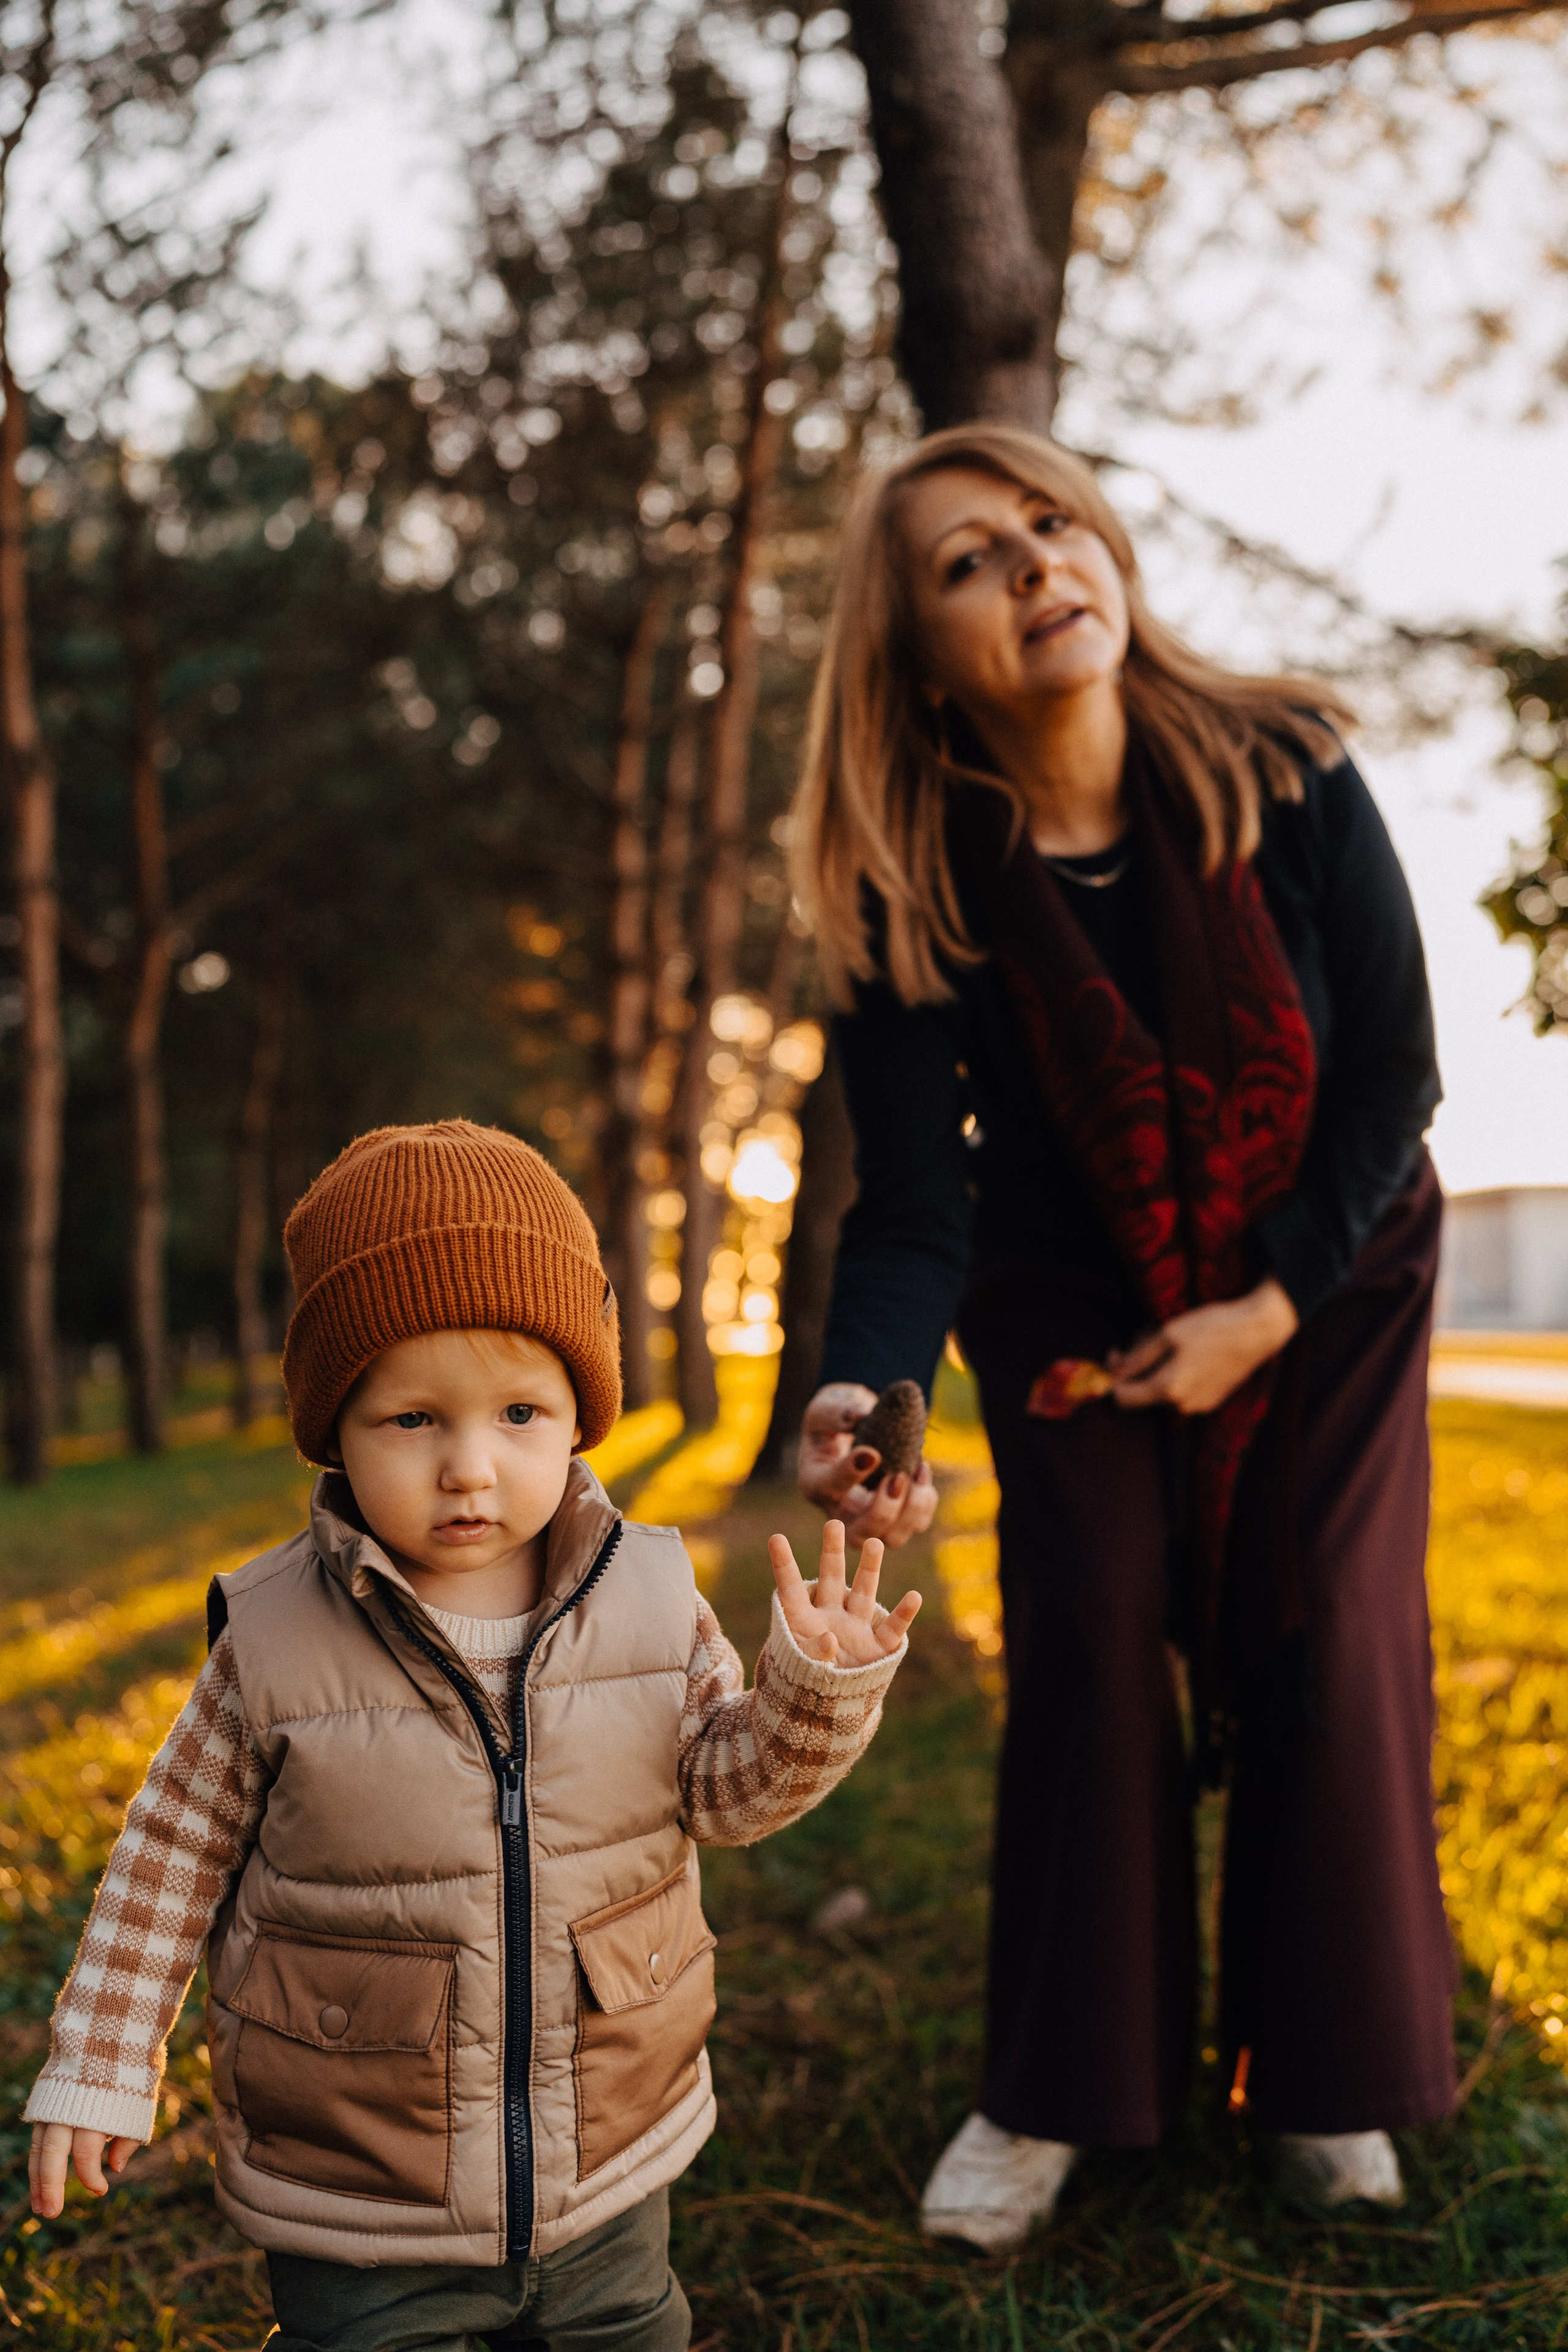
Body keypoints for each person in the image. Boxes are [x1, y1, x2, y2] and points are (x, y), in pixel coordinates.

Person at [790, 424, 1455, 2249]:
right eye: (968, 562)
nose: (1034, 562)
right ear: (918, 653)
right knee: (1086, 1624)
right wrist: (869, 1380)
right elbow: (921, 1203)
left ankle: (1325, 2078)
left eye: (1050, 522)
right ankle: (1056, 2090)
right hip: (1072, 1296)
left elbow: (1396, 1079)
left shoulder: (1285, 767)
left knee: (1321, 1628)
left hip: (1330, 1258)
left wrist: (1263, 1312)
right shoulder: (904, 886)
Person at [24, 1119, 919, 2351]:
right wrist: (104, 2058)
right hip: (362, 2199)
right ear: (334, 1424)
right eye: (410, 1420)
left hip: (609, 2161)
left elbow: (730, 1792)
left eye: (517, 1412)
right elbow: (168, 1861)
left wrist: (814, 1693)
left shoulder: (651, 1598)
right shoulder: (275, 1640)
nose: (469, 1468)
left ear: (578, 1417)